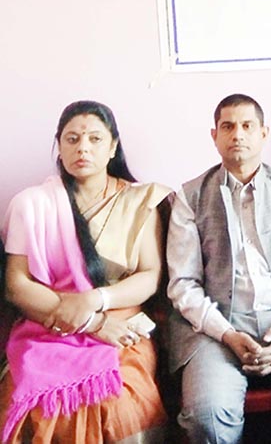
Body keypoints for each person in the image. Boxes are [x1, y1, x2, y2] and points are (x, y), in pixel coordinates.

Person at [166, 94, 271, 443]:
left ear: (264, 133)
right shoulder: (190, 196)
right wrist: (227, 333)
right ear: (214, 135)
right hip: (218, 325)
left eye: (248, 126)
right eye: (228, 126)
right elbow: (183, 283)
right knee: (206, 417)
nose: (238, 135)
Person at [0, 100, 171, 443]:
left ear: (112, 147)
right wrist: (91, 323)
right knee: (32, 402)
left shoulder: (140, 200)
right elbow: (16, 284)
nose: (83, 148)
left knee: (118, 403)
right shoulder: (32, 204)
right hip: (48, 324)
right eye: (72, 139)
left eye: (95, 139)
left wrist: (96, 299)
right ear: (59, 147)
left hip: (122, 325)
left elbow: (150, 275)